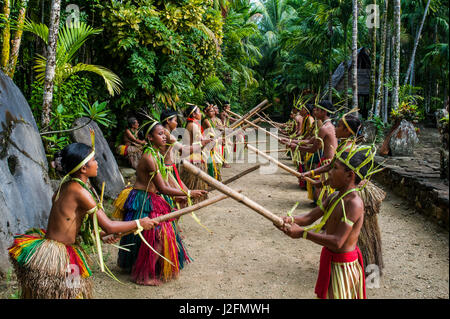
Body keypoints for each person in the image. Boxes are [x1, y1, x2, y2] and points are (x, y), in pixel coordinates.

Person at [9, 141, 158, 299]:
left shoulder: (67, 185)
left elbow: (71, 222)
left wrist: (100, 235)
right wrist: (140, 223)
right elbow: (109, 225)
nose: (97, 163)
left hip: (56, 247)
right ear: (83, 168)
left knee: (69, 293)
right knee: (70, 293)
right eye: (93, 160)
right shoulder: (79, 191)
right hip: (59, 255)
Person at [277, 145, 379, 299]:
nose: (329, 173)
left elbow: (338, 242)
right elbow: (309, 217)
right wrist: (290, 219)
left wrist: (302, 234)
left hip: (343, 266)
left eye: (334, 168)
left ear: (349, 175)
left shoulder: (354, 204)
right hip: (331, 260)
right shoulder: (335, 196)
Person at [112, 121, 207, 286]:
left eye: (165, 133)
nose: (165, 137)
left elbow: (164, 182)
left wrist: (182, 191)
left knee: (149, 235)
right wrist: (188, 192)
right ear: (149, 137)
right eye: (160, 134)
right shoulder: (149, 158)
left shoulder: (156, 154)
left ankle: (138, 266)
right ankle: (144, 275)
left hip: (150, 196)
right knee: (156, 235)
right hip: (143, 199)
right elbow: (163, 188)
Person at [300, 113, 386, 275]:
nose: (335, 129)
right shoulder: (344, 147)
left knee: (354, 234)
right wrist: (319, 179)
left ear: (347, 131)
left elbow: (333, 167)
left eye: (339, 126)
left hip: (355, 191)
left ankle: (360, 266)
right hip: (347, 189)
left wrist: (313, 175)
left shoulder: (349, 150)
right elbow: (333, 167)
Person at [282, 100, 338, 202]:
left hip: (328, 162)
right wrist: (292, 142)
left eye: (317, 109)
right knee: (319, 189)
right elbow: (310, 140)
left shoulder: (324, 128)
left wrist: (296, 146)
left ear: (324, 112)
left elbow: (313, 149)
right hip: (327, 160)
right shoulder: (328, 126)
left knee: (320, 191)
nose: (314, 111)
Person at [179, 104, 214, 204]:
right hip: (192, 157)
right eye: (199, 112)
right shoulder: (193, 125)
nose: (201, 114)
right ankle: (194, 199)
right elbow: (197, 143)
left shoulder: (193, 124)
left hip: (192, 156)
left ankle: (196, 198)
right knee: (193, 181)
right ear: (194, 114)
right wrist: (207, 142)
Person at [202, 103, 225, 181]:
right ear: (206, 112)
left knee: (217, 162)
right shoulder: (206, 120)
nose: (213, 112)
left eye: (213, 111)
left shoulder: (213, 120)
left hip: (213, 142)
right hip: (208, 144)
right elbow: (212, 132)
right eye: (211, 111)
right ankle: (213, 179)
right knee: (212, 162)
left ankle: (216, 178)